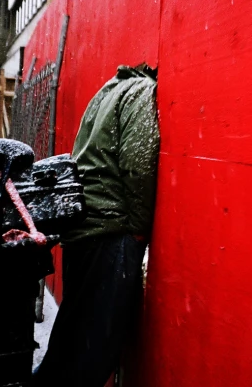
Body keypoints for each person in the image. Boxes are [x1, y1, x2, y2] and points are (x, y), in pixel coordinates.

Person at [32, 64, 160, 387]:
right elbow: (138, 163)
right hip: (109, 232)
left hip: (82, 229)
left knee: (73, 333)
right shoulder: (142, 92)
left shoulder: (106, 91)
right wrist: (139, 228)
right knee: (94, 352)